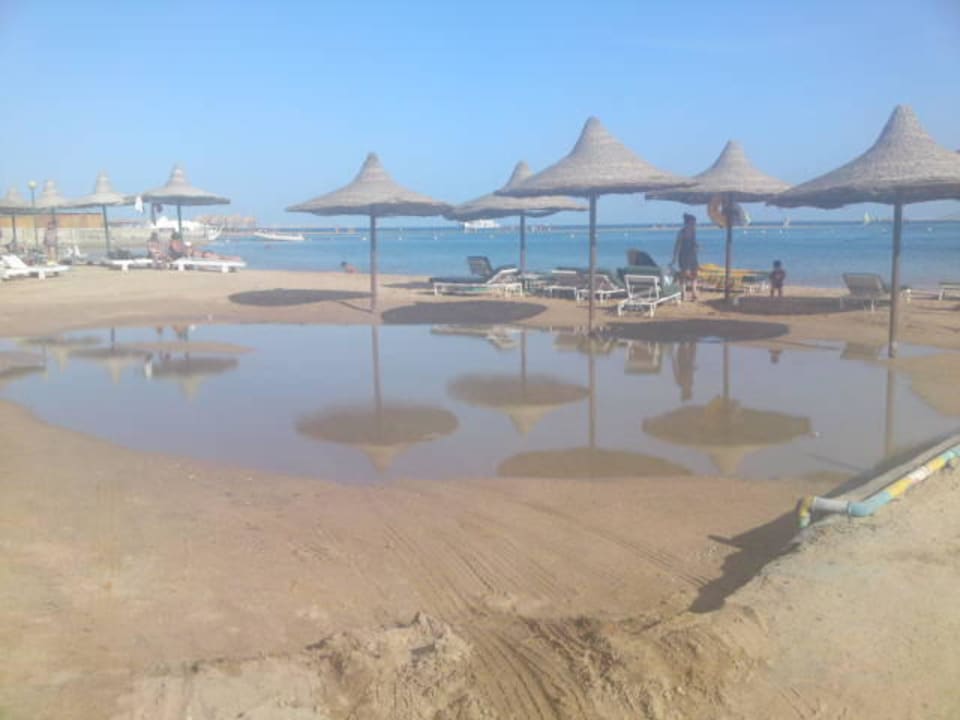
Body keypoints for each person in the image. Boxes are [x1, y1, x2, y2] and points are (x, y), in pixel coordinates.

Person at [672, 213, 699, 301]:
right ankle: (684, 294)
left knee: (694, 275)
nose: (694, 225)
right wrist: (674, 258)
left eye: (694, 223)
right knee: (684, 275)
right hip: (684, 255)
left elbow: (693, 244)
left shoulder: (692, 231)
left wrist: (697, 246)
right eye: (693, 223)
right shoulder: (682, 232)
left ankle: (693, 293)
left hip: (692, 255)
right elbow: (677, 245)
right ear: (688, 223)